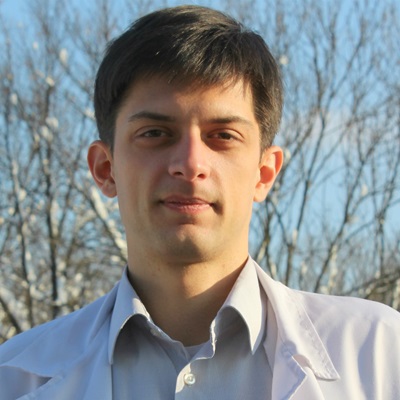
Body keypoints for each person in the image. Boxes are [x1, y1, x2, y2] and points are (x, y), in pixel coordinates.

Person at [1, 5, 399, 400]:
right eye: (155, 133)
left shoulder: (380, 355)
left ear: (264, 173)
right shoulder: (13, 379)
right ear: (106, 168)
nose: (190, 164)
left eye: (222, 135)